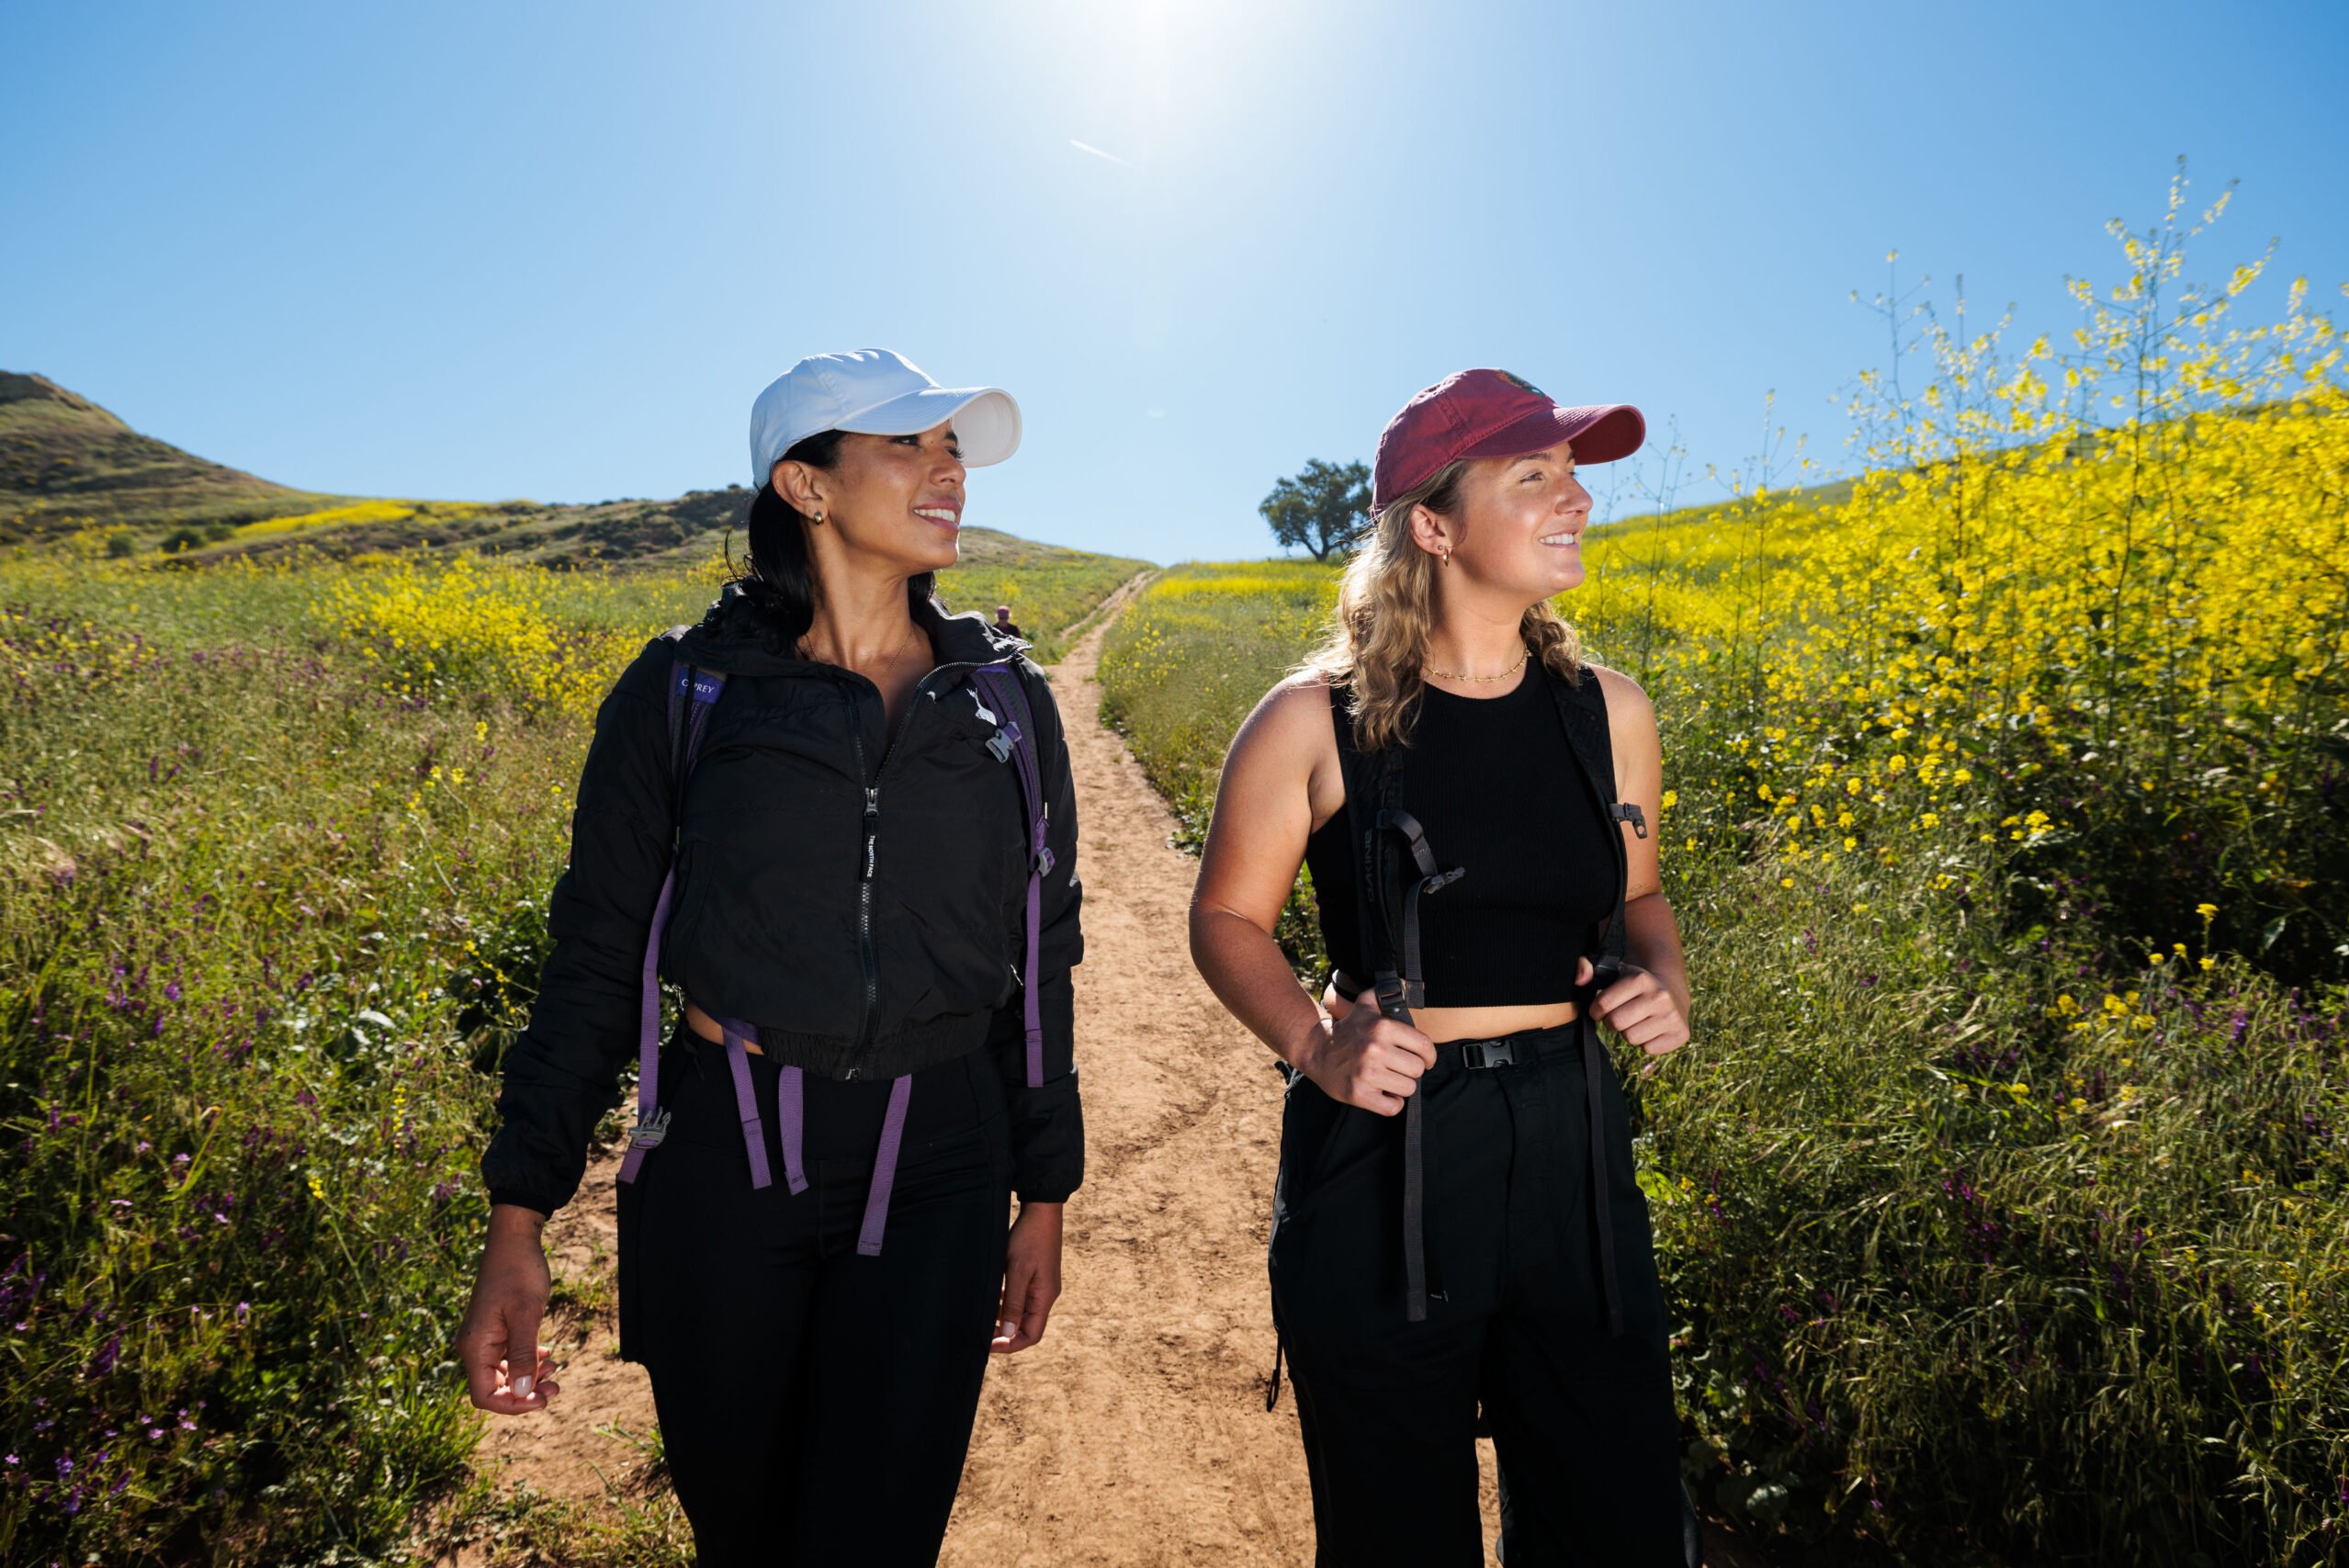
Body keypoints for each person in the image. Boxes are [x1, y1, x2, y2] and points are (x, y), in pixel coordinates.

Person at [456, 349, 1085, 1566]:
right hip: (721, 1161)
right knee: (743, 1530)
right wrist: (520, 1213)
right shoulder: (685, 692)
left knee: (877, 1537)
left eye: (953, 444)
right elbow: (598, 954)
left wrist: (1044, 1190)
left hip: (941, 1161)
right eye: (908, 444)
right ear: (805, 486)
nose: (948, 466)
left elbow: (1040, 956)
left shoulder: (1006, 703)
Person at [1190, 368, 1697, 1564]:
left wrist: (1660, 976)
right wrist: (1315, 1045)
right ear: (1432, 525)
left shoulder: (1608, 711)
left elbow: (1639, 895)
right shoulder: (1312, 720)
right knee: (1395, 1529)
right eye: (1535, 476)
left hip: (1574, 1141)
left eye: (1573, 476)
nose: (1574, 498)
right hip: (1389, 1156)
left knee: (1614, 1513)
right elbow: (1225, 919)